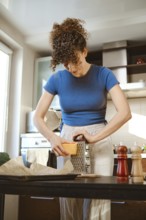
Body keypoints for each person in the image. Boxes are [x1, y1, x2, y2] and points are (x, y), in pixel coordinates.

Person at [33, 18, 132, 220]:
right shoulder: (57, 79)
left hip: (99, 138)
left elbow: (125, 113)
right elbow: (37, 117)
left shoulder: (104, 74)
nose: (71, 69)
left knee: (98, 204)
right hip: (69, 141)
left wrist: (94, 138)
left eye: (75, 61)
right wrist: (52, 138)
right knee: (70, 201)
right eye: (66, 64)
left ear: (85, 52)